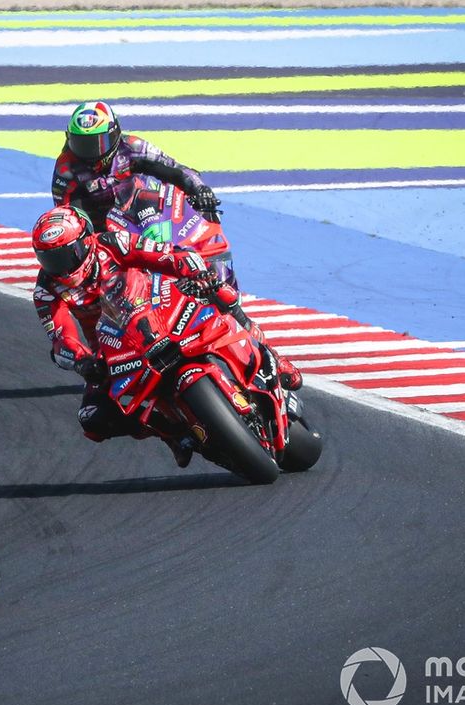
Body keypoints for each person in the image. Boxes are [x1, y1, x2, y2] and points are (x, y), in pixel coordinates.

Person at [31, 205, 302, 468]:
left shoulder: (113, 243)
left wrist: (193, 271)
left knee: (222, 296)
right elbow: (60, 338)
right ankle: (173, 434)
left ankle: (274, 359)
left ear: (86, 241)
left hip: (158, 307)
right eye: (50, 259)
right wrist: (81, 361)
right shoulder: (46, 291)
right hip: (113, 348)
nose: (61, 267)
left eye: (68, 255)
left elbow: (162, 254)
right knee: (92, 419)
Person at [52, 101, 220, 230]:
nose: (90, 152)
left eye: (97, 143)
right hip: (101, 231)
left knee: (203, 211)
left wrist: (200, 189)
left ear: (115, 134)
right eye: (82, 144)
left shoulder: (133, 146)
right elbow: (68, 216)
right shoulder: (65, 168)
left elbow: (177, 170)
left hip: (145, 216)